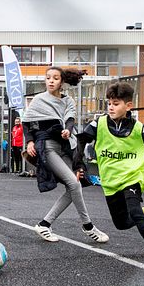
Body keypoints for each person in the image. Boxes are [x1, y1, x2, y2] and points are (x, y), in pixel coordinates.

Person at [74, 82, 144, 269]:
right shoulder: (98, 123)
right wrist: (78, 164)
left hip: (133, 175)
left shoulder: (139, 128)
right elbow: (82, 140)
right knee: (122, 224)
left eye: (116, 103)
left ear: (128, 106)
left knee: (134, 209)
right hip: (110, 180)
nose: (111, 107)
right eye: (109, 103)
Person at [23, 67, 109, 244]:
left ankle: (44, 224)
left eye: (55, 78)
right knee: (73, 183)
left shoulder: (68, 100)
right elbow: (27, 124)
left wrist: (67, 131)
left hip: (66, 146)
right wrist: (30, 142)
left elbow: (70, 119)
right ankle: (88, 226)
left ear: (62, 82)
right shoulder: (39, 100)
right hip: (48, 147)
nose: (51, 81)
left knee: (74, 186)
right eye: (48, 78)